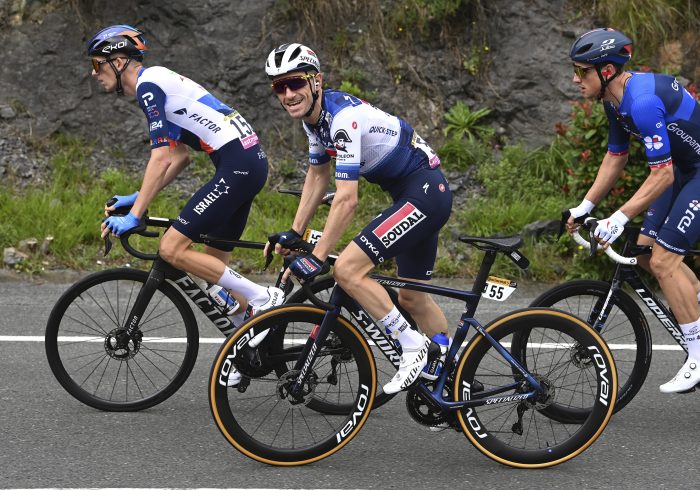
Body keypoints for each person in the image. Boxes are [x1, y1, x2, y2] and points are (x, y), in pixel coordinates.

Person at [263, 43, 453, 394]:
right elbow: (318, 175)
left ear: (316, 81)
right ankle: (453, 375)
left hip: (423, 194)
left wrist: (317, 258)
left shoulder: (341, 121)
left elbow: (347, 200)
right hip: (417, 194)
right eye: (279, 87)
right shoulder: (314, 120)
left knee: (347, 269)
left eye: (295, 83)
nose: (288, 93)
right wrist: (295, 231)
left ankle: (412, 346)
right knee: (412, 297)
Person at [87, 25, 284, 352]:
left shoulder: (149, 86)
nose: (94, 74)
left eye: (97, 64)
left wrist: (135, 215)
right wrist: (139, 196)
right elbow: (179, 157)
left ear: (119, 61)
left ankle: (263, 298)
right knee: (211, 269)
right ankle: (248, 347)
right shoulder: (158, 82)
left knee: (172, 249)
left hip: (238, 164)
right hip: (245, 163)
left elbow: (161, 157)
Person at [566, 27, 700, 393]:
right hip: (689, 171)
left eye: (582, 72)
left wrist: (617, 217)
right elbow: (616, 156)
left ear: (606, 70)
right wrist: (586, 206)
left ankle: (698, 353)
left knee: (664, 261)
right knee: (643, 252)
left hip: (692, 173)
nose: (575, 79)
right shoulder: (614, 100)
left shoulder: (640, 101)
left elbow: (662, 174)